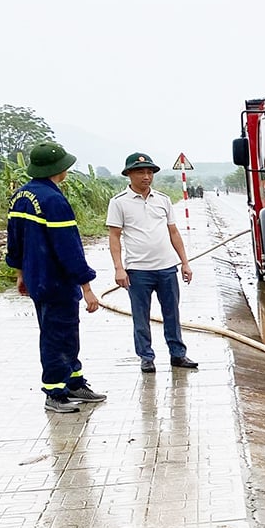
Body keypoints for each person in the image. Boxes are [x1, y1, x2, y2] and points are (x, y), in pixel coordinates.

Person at [5, 142, 106, 413]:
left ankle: (74, 382)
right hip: (57, 281)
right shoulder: (53, 200)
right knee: (57, 335)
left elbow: (15, 243)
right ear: (58, 168)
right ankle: (55, 392)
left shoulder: (20, 196)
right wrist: (86, 287)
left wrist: (20, 274)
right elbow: (69, 248)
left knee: (61, 333)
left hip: (36, 278)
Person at [107, 152, 198, 374]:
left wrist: (184, 263)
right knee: (141, 316)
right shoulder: (119, 202)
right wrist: (119, 268)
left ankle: (177, 354)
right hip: (138, 270)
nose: (146, 176)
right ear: (129, 174)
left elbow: (173, 232)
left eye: (149, 172)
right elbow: (114, 236)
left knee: (172, 313)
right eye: (140, 172)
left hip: (167, 268)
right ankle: (146, 357)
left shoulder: (163, 200)